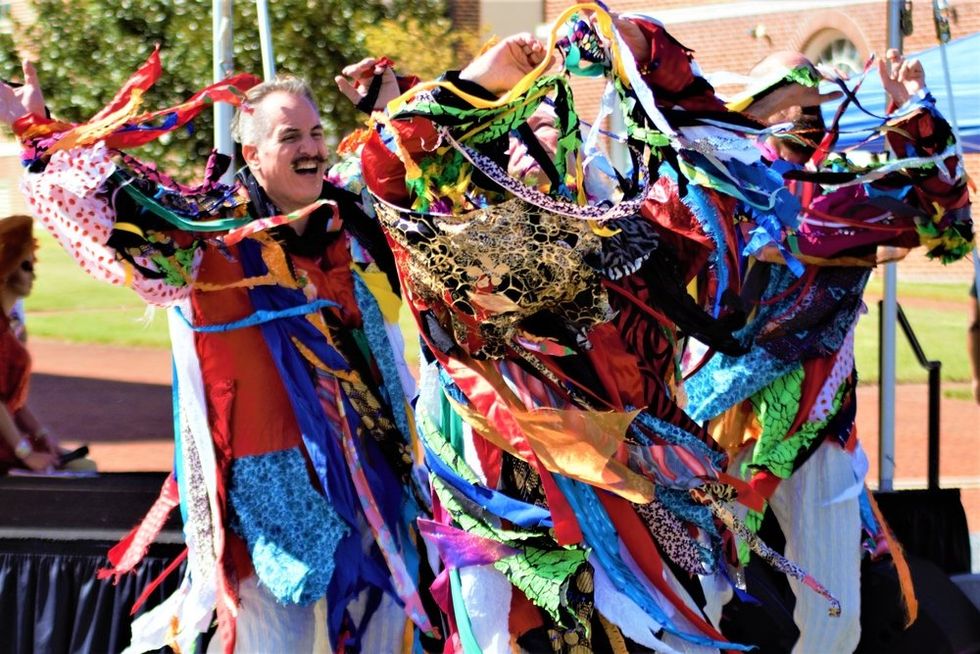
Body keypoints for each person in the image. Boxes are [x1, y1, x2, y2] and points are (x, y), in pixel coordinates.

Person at [334, 9, 845, 652]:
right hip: (499, 449)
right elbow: (396, 156)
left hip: (629, 452)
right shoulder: (443, 238)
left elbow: (702, 145)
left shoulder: (624, 236)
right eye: (519, 137)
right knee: (503, 629)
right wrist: (473, 78)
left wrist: (643, 50)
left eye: (547, 134)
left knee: (666, 616)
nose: (538, 147)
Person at [0, 56, 431, 652]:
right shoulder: (205, 241)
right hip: (274, 498)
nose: (310, 147)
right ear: (252, 154)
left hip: (372, 480)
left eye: (314, 133)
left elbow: (402, 168)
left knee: (381, 630)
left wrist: (389, 100)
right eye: (290, 137)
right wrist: (42, 131)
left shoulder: (343, 216)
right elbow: (103, 212)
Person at [685, 48, 973, 652]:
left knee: (835, 616)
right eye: (788, 89)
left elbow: (949, 217)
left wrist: (911, 114)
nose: (803, 100)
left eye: (811, 87)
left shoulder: (846, 188)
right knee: (696, 595)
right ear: (759, 106)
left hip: (815, 428)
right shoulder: (716, 179)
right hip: (717, 423)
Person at [0, 214, 57, 473]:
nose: (33, 275)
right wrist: (25, 453)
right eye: (26, 266)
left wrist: (40, 434)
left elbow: (13, 401)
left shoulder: (10, 327)